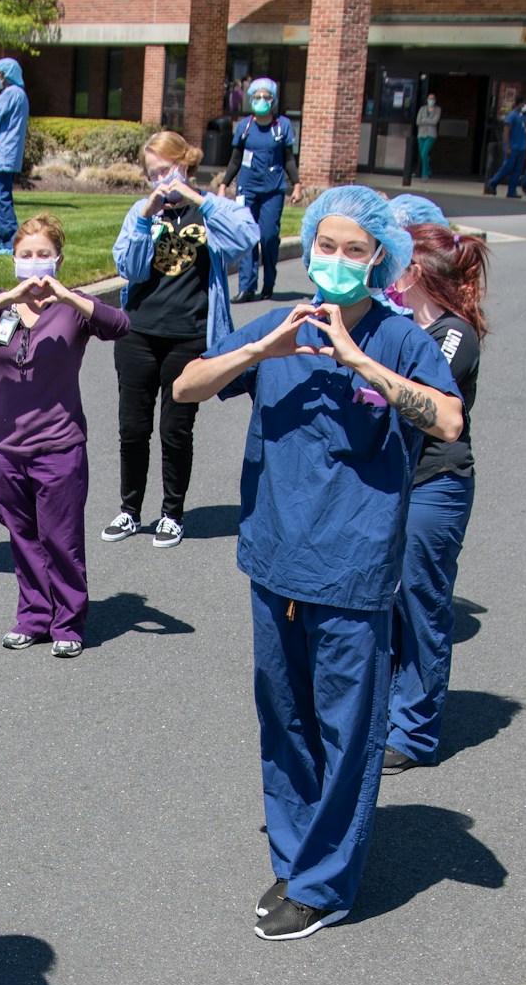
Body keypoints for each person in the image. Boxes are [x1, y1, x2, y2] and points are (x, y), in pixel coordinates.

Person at [172, 185, 463, 941]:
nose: (335, 261)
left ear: (379, 261)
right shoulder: (280, 327)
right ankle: (296, 853)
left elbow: (450, 418)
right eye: (325, 246)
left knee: (347, 724)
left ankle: (326, 882)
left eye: (353, 250)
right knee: (283, 716)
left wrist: (359, 361)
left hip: (352, 568)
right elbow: (186, 385)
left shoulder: (398, 340)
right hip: (274, 557)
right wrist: (260, 349)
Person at [0, 213, 130, 658]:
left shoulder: (73, 309)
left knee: (61, 538)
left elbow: (119, 324)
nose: (34, 263)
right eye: (25, 255)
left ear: (58, 259)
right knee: (23, 535)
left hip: (59, 444)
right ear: (13, 260)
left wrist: (67, 295)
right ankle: (33, 615)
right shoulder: (3, 309)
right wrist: (10, 295)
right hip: (6, 447)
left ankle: (68, 620)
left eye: (43, 255)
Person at [105, 130, 259, 550]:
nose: (161, 180)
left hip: (190, 337)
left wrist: (198, 199)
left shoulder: (212, 211)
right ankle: (129, 510)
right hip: (138, 333)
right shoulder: (143, 212)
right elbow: (129, 267)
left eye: (167, 170)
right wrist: (145, 215)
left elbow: (246, 238)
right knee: (132, 429)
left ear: (185, 165)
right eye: (153, 173)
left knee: (176, 430)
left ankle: (172, 514)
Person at [383, 223, 489, 774]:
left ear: (417, 271)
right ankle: (386, 712)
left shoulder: (454, 334)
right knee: (387, 604)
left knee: (421, 605)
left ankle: (415, 732)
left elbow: (423, 395)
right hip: (394, 482)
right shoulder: (403, 325)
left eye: (395, 263)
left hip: (436, 484)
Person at [216, 77, 304, 304]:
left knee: (268, 236)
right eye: (257, 97)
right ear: (251, 99)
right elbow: (235, 159)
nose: (261, 100)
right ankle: (246, 287)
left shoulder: (282, 126)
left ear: (273, 100)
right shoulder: (245, 126)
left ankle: (269, 283)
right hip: (248, 189)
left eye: (266, 97)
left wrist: (297, 185)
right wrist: (224, 184)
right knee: (247, 237)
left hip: (273, 189)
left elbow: (288, 159)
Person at [0, 57, 30, 255]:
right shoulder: (18, 94)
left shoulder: (11, 93)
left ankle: (11, 241)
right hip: (4, 153)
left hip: (4, 153)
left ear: (7, 75)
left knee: (1, 198)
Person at [484, 98, 526, 198]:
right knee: (507, 167)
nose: (524, 106)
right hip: (512, 147)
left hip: (521, 148)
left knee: (517, 170)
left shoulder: (522, 117)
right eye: (523, 104)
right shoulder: (512, 115)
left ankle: (512, 191)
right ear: (518, 104)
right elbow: (506, 130)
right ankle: (492, 182)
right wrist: (507, 146)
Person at [416, 92, 442, 180]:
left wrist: (425, 119)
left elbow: (435, 122)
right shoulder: (422, 109)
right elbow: (418, 121)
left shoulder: (437, 109)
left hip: (431, 134)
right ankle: (428, 170)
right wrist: (429, 120)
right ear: (427, 100)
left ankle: (424, 174)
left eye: (433, 99)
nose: (431, 100)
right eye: (430, 99)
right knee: (423, 155)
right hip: (421, 134)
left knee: (424, 153)